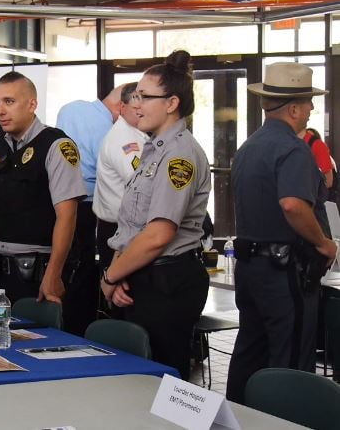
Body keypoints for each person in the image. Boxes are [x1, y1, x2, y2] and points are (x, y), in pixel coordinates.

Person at [226, 62, 336, 403]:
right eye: (307, 103)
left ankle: (236, 421)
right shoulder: (292, 149)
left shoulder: (249, 148)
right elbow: (292, 204)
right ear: (292, 108)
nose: (311, 110)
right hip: (285, 271)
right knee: (290, 360)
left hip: (250, 268)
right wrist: (323, 242)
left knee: (250, 350)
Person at [101, 50, 210, 379]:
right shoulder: (153, 149)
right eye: (136, 96)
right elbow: (133, 225)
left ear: (171, 103)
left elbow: (159, 234)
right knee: (132, 383)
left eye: (145, 97)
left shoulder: (180, 155)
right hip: (141, 276)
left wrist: (109, 276)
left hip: (168, 282)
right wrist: (119, 273)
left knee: (158, 384)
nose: (136, 105)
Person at [0, 71, 85, 307]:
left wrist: (53, 273)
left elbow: (68, 216)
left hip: (35, 271)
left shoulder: (56, 146)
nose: (0, 110)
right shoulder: (0, 144)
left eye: (9, 101)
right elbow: (6, 201)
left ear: (32, 104)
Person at [56, 81, 124, 335]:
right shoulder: (112, 131)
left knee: (67, 269)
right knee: (85, 272)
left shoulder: (70, 109)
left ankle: (64, 327)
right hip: (91, 207)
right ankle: (86, 332)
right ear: (121, 108)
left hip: (59, 201)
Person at [93, 82, 148, 274]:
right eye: (135, 108)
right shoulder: (124, 138)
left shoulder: (138, 133)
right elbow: (140, 182)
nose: (140, 111)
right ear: (122, 108)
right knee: (122, 292)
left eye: (143, 106)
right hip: (117, 229)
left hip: (127, 226)